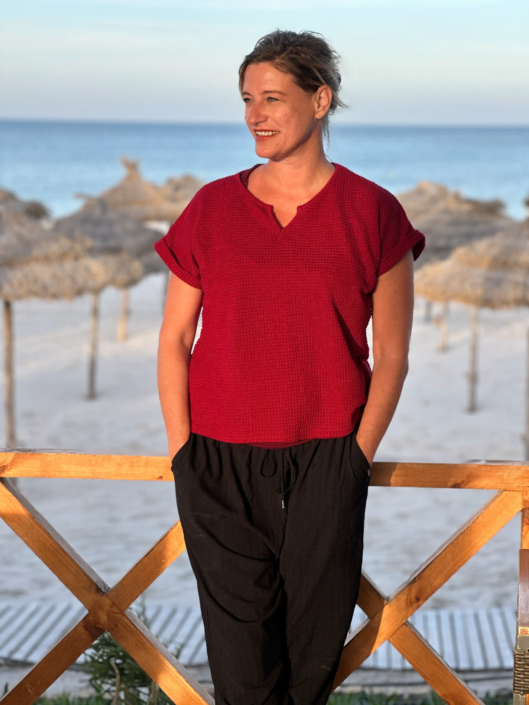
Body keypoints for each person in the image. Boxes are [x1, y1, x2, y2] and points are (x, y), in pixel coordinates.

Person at [154, 29, 425, 705]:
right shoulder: (211, 209)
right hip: (216, 463)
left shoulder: (372, 212)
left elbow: (391, 354)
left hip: (326, 461)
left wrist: (353, 457)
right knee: (243, 677)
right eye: (247, 99)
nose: (255, 114)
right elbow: (173, 339)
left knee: (306, 674)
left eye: (272, 98)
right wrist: (183, 452)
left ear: (321, 99)